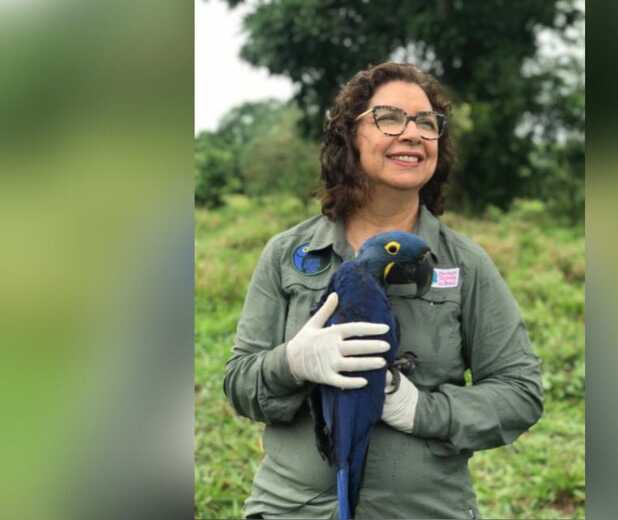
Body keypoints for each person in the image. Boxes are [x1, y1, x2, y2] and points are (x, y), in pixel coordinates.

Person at [224, 62, 543, 520]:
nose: (412, 133)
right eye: (389, 117)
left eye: (427, 123)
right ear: (349, 137)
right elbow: (239, 382)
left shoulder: (464, 263)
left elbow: (521, 393)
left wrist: (422, 410)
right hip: (295, 509)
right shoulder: (288, 253)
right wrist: (290, 363)